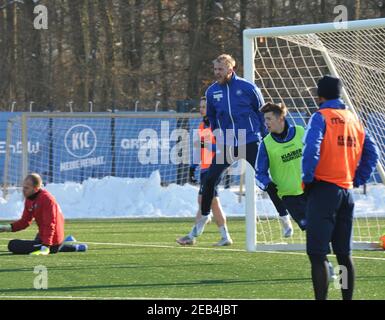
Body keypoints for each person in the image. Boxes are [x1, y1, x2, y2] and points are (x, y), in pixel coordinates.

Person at [302, 75, 379, 300]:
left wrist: (307, 179)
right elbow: (372, 154)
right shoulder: (354, 119)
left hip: (324, 189)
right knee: (343, 254)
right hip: (346, 192)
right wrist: (357, 178)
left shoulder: (320, 117)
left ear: (320, 96)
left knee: (317, 254)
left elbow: (311, 149)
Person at [198, 54, 291, 237]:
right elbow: (212, 117)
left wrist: (265, 138)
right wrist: (217, 133)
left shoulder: (248, 88)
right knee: (209, 178)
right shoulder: (211, 92)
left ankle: (284, 218)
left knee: (265, 179)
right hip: (228, 142)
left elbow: (262, 113)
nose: (217, 73)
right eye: (215, 69)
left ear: (230, 69)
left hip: (249, 140)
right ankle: (204, 216)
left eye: (220, 69)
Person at [177, 96, 233, 246]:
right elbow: (200, 148)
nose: (201, 109)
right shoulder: (202, 126)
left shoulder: (219, 125)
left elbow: (226, 147)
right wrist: (193, 166)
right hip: (205, 168)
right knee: (211, 202)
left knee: (204, 200)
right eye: (200, 106)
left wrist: (212, 148)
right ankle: (224, 236)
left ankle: (194, 233)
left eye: (204, 107)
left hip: (216, 167)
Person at [0, 173, 87, 255]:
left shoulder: (47, 199)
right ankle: (71, 246)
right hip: (44, 235)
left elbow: (50, 224)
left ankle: (58, 246)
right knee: (27, 244)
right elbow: (25, 222)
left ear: (36, 188)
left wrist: (46, 246)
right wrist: (6, 227)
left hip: (52, 239)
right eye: (23, 187)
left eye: (27, 188)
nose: (23, 190)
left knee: (13, 245)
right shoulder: (30, 199)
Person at [255, 102, 306, 235]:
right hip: (290, 198)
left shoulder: (301, 131)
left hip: (311, 190)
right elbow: (259, 173)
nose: (266, 123)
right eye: (264, 119)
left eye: (269, 119)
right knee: (312, 229)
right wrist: (267, 184)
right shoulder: (266, 144)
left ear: (280, 118)